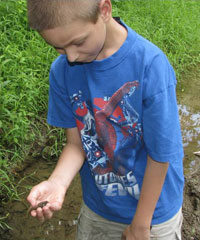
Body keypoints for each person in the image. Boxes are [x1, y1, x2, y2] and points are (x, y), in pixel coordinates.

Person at [26, 0, 184, 239]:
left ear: (104, 11)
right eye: (57, 47)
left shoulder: (150, 65)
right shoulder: (62, 71)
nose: (71, 56)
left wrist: (141, 224)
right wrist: (57, 182)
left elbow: (161, 154)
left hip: (154, 213)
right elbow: (76, 144)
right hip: (99, 209)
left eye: (78, 42)